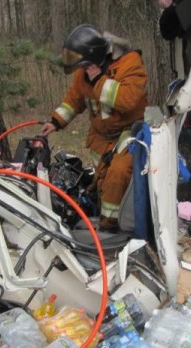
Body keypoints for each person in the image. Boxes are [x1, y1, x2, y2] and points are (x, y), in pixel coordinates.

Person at [39, 24, 148, 231]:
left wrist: (99, 80)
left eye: (85, 65)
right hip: (101, 137)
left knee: (117, 175)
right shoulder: (84, 72)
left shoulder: (130, 64)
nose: (82, 70)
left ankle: (111, 227)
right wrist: (55, 122)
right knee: (102, 181)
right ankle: (99, 218)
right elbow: (74, 100)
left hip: (129, 133)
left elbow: (127, 100)